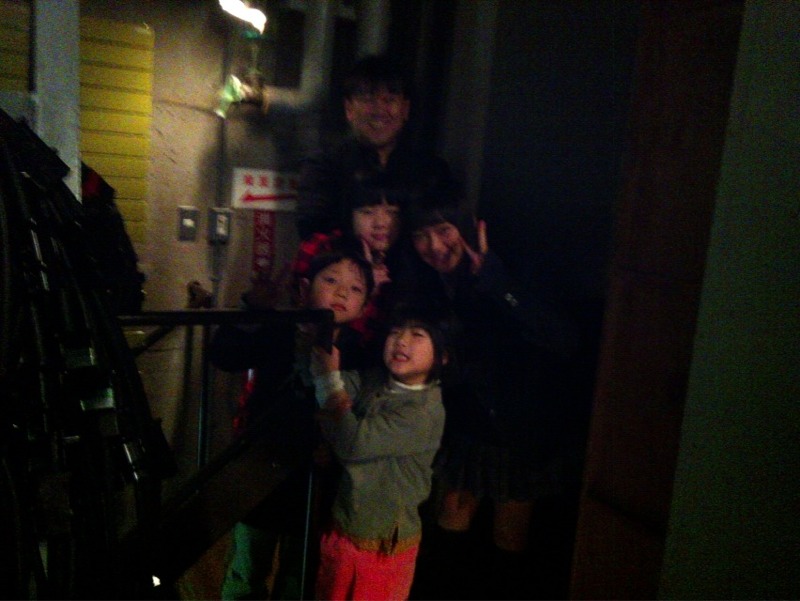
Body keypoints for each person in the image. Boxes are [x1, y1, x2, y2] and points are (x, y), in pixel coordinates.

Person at [400, 191, 579, 600]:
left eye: (443, 230)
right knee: (448, 528)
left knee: (509, 539)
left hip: (520, 431)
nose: (434, 245)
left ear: (468, 227)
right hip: (464, 426)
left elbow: (565, 339)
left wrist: (498, 283)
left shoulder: (512, 265)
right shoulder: (426, 284)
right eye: (421, 235)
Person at [210, 249, 375, 600]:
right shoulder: (279, 332)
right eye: (331, 280)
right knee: (248, 561)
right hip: (262, 466)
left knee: (299, 572)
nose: (342, 292)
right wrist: (252, 308)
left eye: (356, 289)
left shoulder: (359, 353)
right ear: (304, 289)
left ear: (364, 307)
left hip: (317, 477)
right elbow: (224, 354)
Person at [309, 303, 453, 601]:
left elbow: (353, 444)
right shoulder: (377, 379)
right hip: (347, 524)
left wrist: (329, 383)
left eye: (417, 335)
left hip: (381, 545)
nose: (401, 341)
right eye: (395, 332)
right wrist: (319, 342)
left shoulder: (422, 413)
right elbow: (322, 380)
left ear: (442, 356)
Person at [295, 53, 455, 241]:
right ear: (349, 109)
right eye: (368, 99)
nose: (379, 110)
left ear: (405, 109)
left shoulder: (431, 171)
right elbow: (312, 230)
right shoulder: (323, 166)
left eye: (390, 100)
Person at [291, 177, 406, 357]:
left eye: (392, 212)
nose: (380, 223)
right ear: (350, 215)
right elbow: (303, 312)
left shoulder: (406, 262)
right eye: (367, 212)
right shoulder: (322, 247)